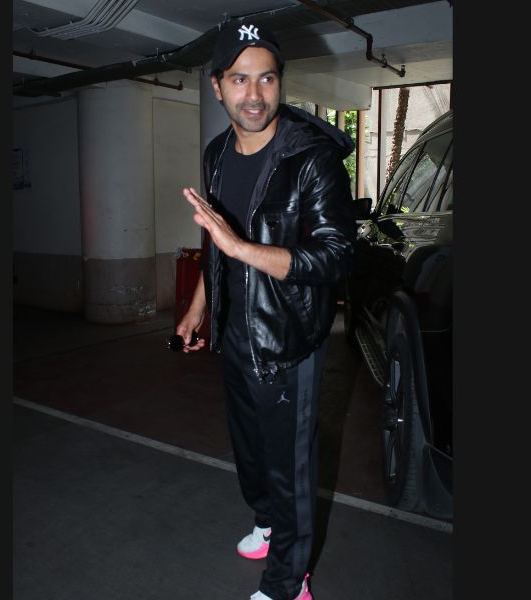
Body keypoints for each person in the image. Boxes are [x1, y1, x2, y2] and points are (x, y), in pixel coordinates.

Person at [175, 18, 355, 600]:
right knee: (250, 448)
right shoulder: (217, 153)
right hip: (234, 329)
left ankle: (287, 584)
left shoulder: (312, 159)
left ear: (280, 81)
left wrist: (241, 249)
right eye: (239, 79)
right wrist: (199, 306)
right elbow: (215, 240)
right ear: (217, 86)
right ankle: (267, 519)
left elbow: (334, 256)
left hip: (288, 338)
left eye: (267, 79)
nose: (254, 95)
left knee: (290, 464)